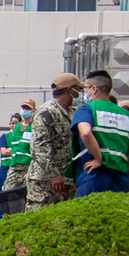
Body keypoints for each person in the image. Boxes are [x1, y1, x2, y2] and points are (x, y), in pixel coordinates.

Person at [71, 70, 129, 196]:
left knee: (87, 214)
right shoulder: (126, 117)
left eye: (85, 89)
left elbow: (85, 133)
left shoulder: (87, 109)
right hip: (120, 179)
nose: (84, 93)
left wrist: (98, 159)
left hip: (92, 175)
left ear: (94, 89)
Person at [26, 74, 83, 211]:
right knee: (39, 220)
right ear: (70, 89)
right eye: (78, 89)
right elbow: (39, 147)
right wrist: (54, 174)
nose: (80, 94)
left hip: (65, 179)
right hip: (45, 181)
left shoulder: (72, 112)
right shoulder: (47, 111)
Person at [3, 98, 36, 193]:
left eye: (28, 108)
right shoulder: (17, 127)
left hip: (28, 166)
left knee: (27, 193)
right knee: (7, 192)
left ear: (33, 110)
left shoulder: (35, 126)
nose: (25, 110)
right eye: (23, 107)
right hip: (14, 165)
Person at [0, 113, 21, 220]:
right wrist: (15, 150)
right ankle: (1, 218)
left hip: (18, 168)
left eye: (16, 124)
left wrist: (11, 149)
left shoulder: (23, 136)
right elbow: (4, 152)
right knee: (3, 193)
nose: (13, 126)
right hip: (5, 169)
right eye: (12, 123)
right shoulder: (5, 137)